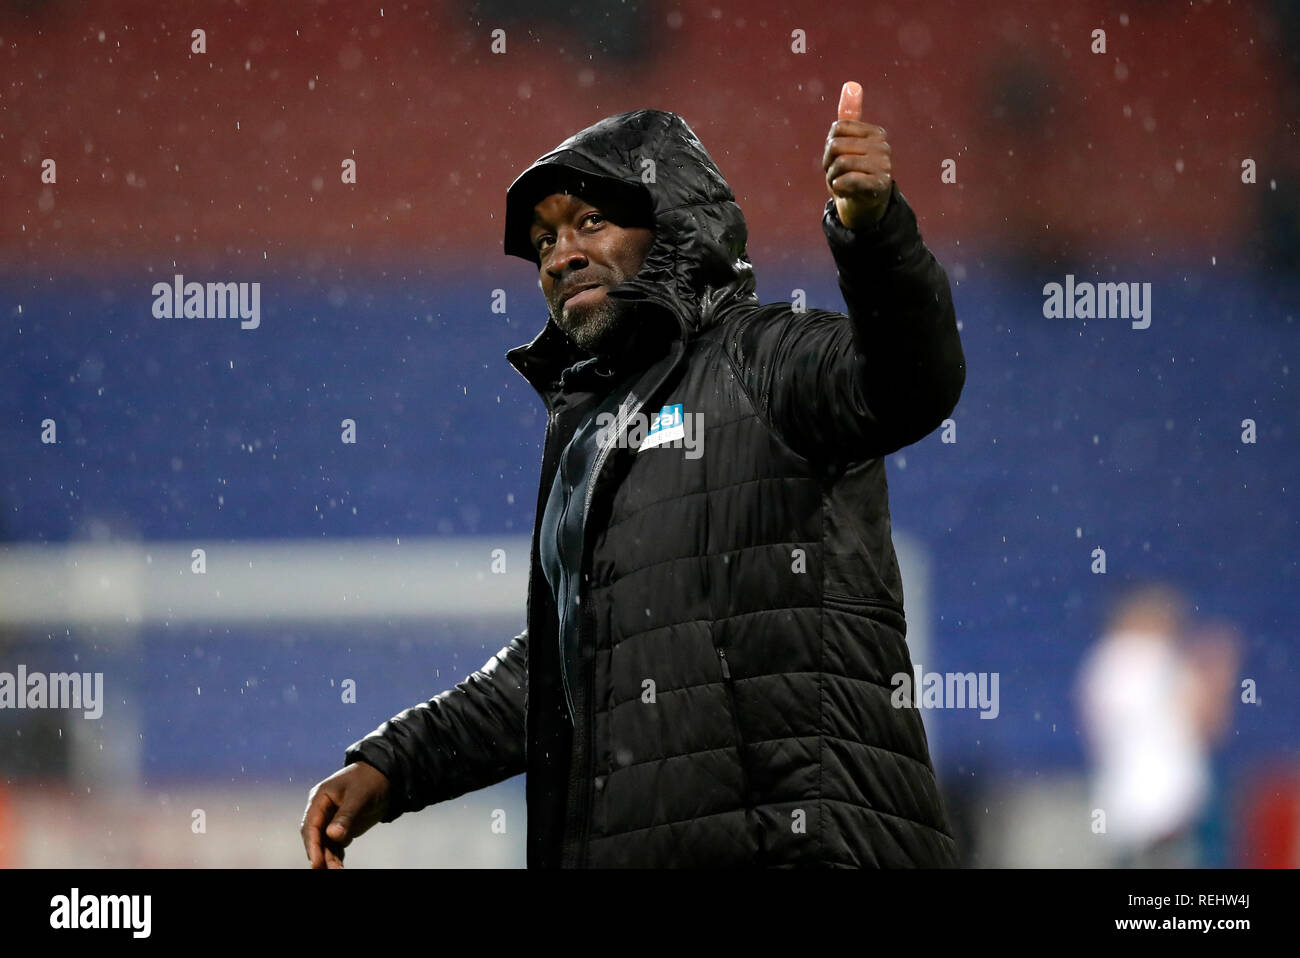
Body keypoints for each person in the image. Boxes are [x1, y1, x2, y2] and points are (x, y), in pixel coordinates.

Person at [301, 81, 966, 868]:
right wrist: (396, 762)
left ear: (674, 228)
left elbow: (913, 382)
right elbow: (569, 664)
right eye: (544, 241)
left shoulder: (765, 359)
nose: (562, 254)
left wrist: (873, 231)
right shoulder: (587, 436)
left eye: (591, 221)